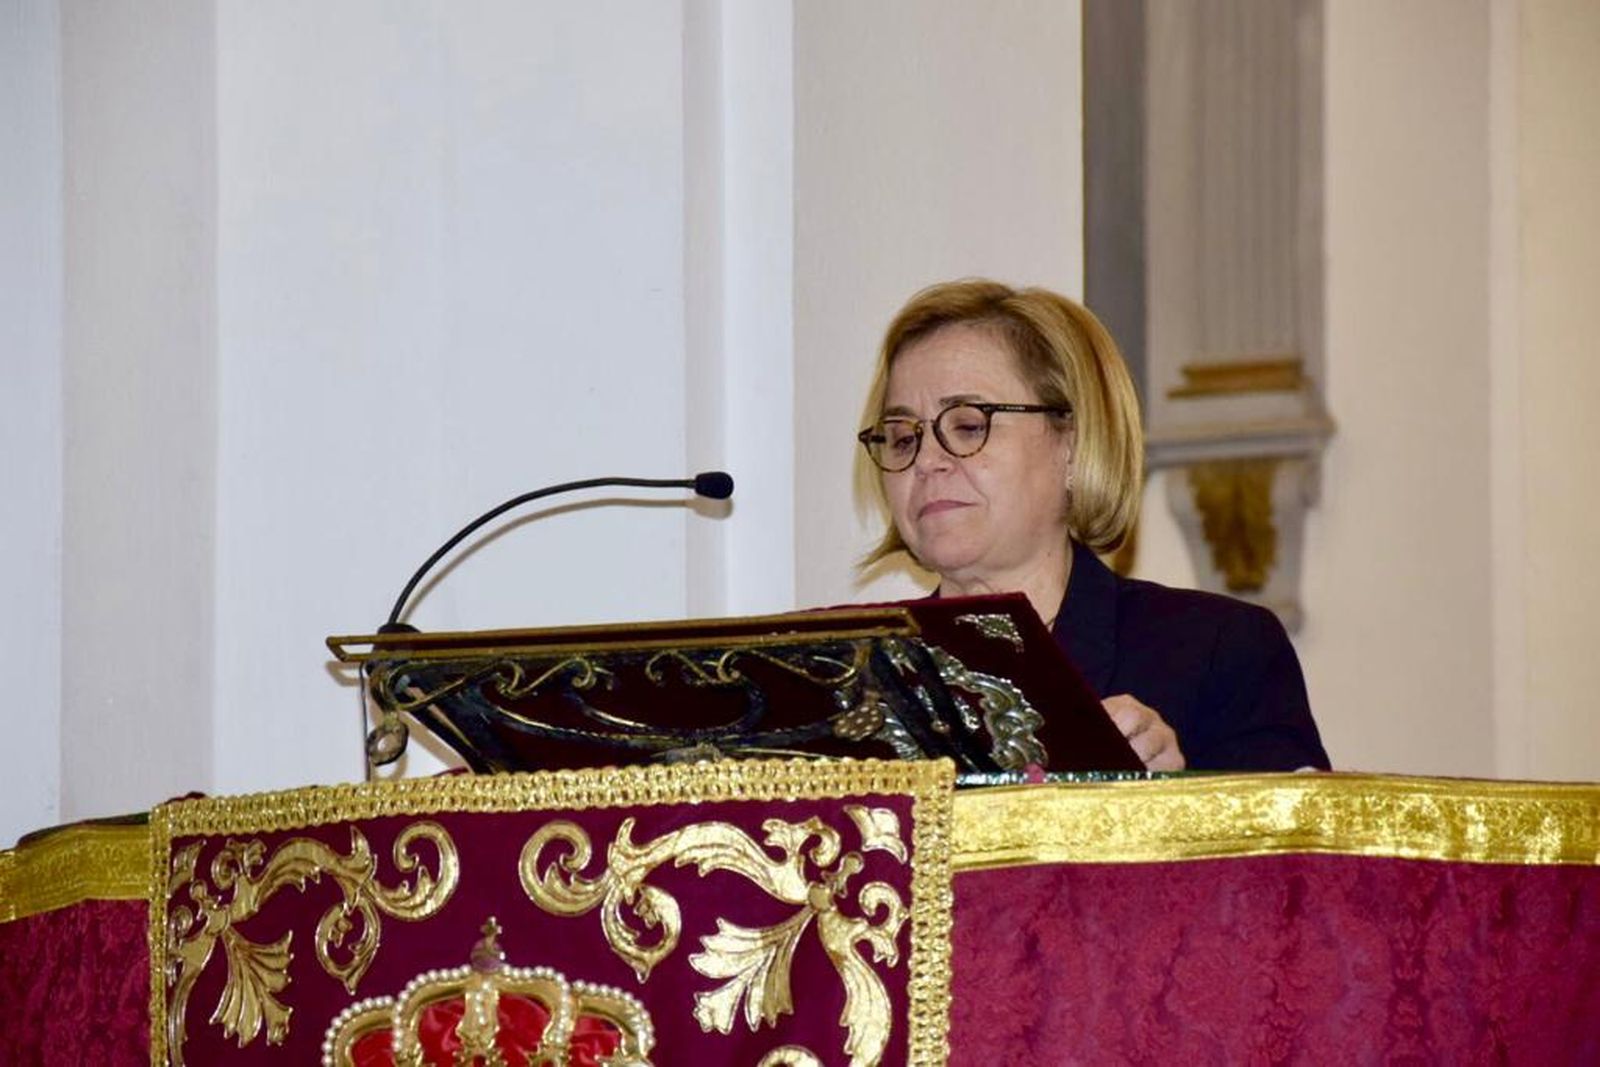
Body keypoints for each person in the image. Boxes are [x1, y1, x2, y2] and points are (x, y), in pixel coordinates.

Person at [855, 279, 1329, 771]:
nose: (927, 460)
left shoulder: (1219, 653)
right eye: (901, 438)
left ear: (1074, 446)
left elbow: (1300, 845)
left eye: (969, 426)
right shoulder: (856, 675)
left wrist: (1180, 799)